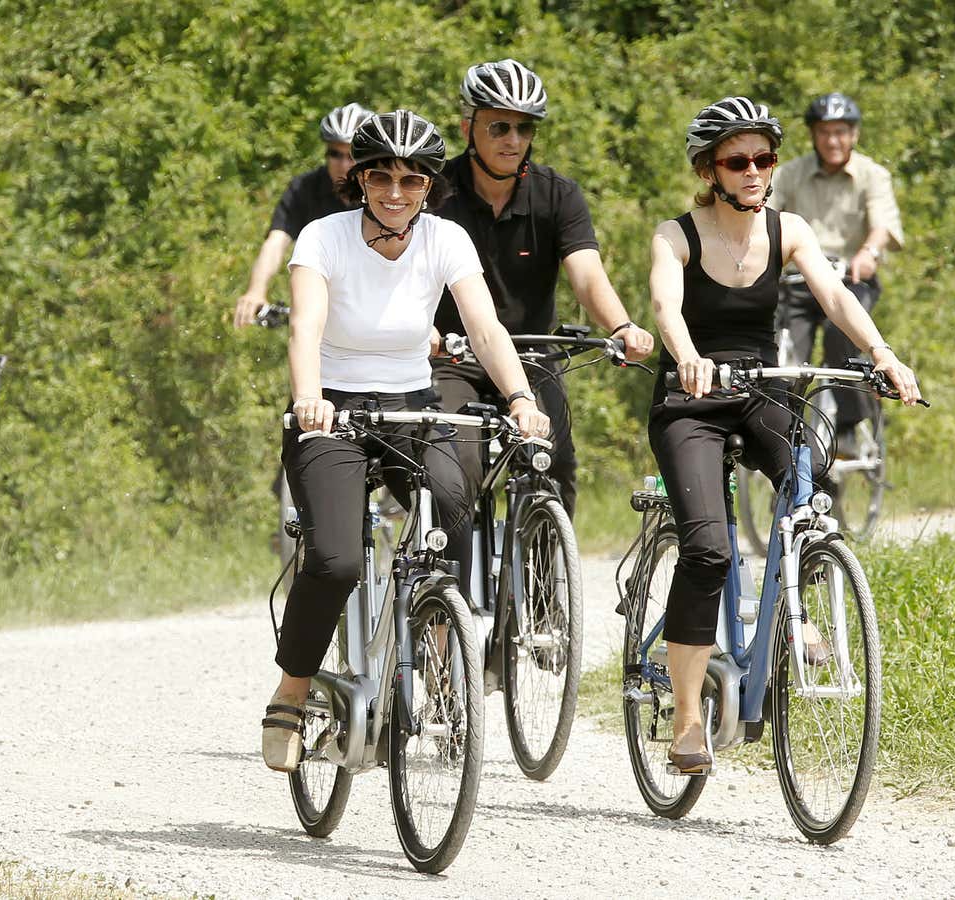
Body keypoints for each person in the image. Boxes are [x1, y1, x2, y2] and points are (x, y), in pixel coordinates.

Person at [262, 110, 550, 771]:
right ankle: (291, 691)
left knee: (455, 508)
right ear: (359, 179)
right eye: (382, 177)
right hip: (332, 412)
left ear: (429, 187)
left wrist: (520, 397)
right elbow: (304, 327)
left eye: (412, 180)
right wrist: (310, 397)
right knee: (335, 561)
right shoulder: (322, 238)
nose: (396, 192)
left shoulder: (445, 240)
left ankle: (435, 649)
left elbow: (483, 328)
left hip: (411, 410)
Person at [647, 97, 920, 773]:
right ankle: (686, 720)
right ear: (710, 170)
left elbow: (834, 296)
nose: (753, 171)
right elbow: (663, 306)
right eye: (737, 161)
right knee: (709, 550)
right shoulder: (676, 235)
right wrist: (685, 355)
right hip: (691, 400)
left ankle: (796, 610)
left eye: (763, 159)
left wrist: (883, 354)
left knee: (810, 472)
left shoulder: (787, 229)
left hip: (758, 386)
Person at [430, 59, 653, 518]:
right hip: (454, 359)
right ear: (468, 127)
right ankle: (448, 582)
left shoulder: (558, 194)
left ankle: (546, 583)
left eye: (525, 128)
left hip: (532, 356)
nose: (514, 140)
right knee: (458, 465)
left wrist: (622, 325)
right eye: (499, 127)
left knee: (555, 462)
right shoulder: (435, 194)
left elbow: (587, 275)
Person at [768, 92, 904, 449]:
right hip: (797, 284)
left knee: (839, 335)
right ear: (813, 135)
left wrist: (869, 252)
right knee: (785, 357)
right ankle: (785, 432)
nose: (833, 140)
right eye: (825, 132)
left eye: (841, 132)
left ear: (854, 134)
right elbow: (763, 218)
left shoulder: (872, 175)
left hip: (851, 279)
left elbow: (882, 225)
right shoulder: (788, 175)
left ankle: (847, 423)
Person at [233, 103, 374, 327]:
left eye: (353, 155)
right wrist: (256, 290)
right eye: (335, 154)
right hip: (323, 307)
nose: (344, 164)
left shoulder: (385, 194)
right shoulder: (305, 188)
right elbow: (276, 241)